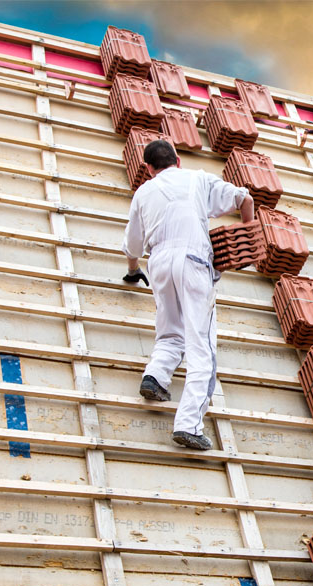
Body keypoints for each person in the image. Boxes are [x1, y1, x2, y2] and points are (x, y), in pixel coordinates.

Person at [122, 140, 254, 450]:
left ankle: (155, 377)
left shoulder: (143, 192)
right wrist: (249, 231)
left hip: (158, 264)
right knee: (202, 346)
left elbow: (132, 245)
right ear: (177, 160)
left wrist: (131, 271)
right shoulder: (197, 178)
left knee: (170, 332)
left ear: (149, 168)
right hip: (193, 260)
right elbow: (243, 197)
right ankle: (189, 424)